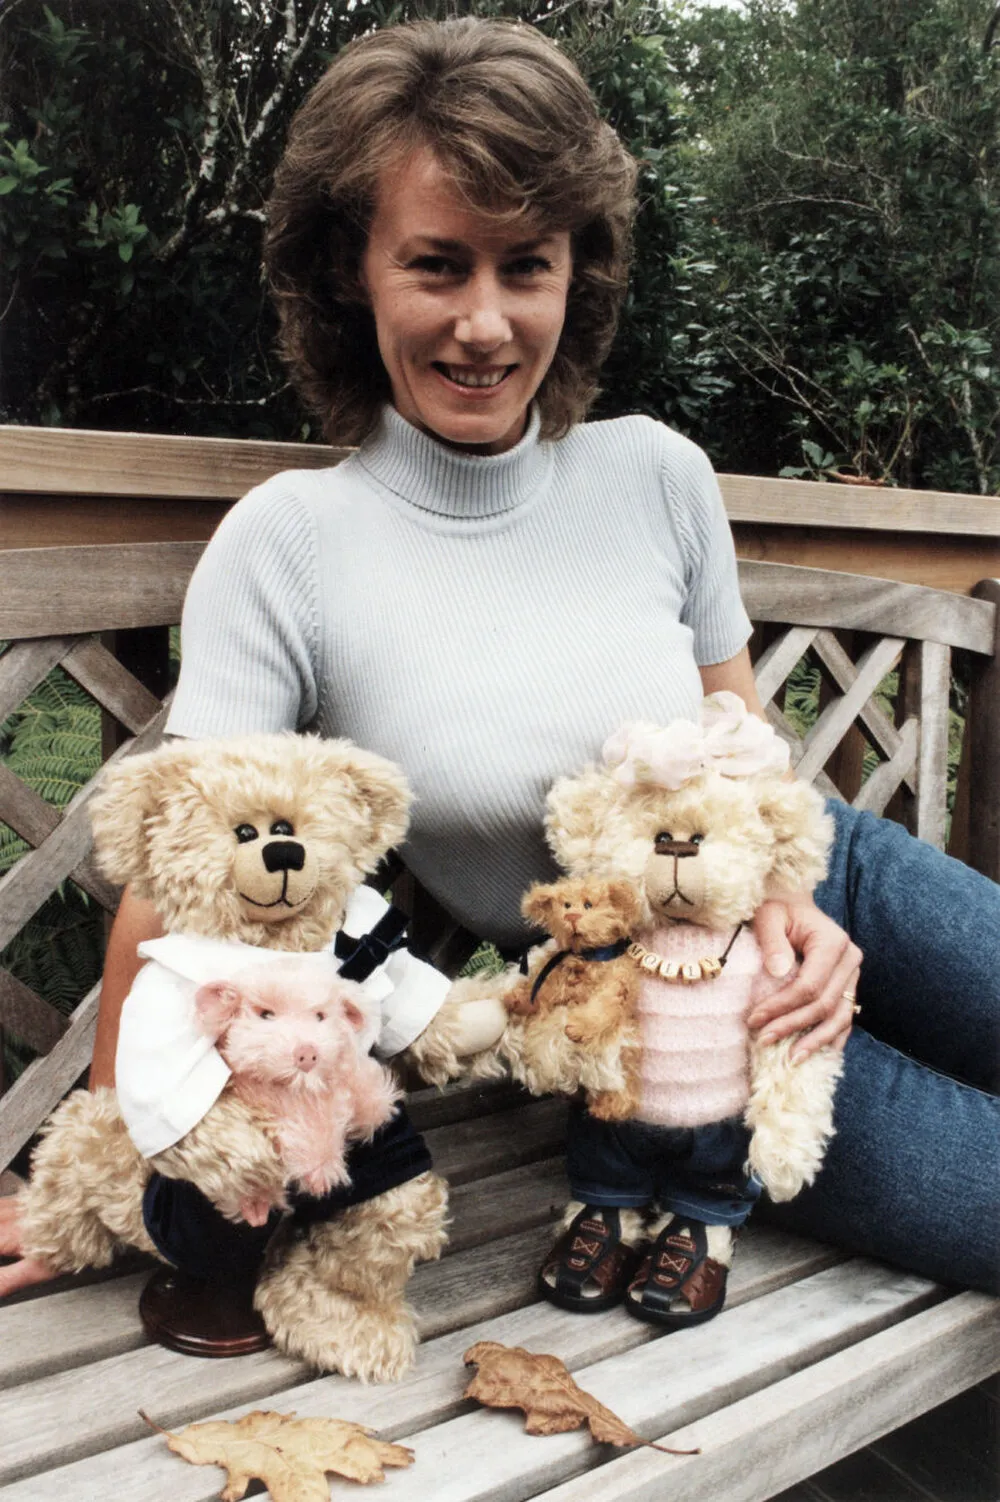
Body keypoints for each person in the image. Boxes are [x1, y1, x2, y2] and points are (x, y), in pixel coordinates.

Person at [1, 17, 997, 1311]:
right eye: (436, 263)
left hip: (830, 889)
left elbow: (745, 748)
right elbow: (177, 880)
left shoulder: (658, 473)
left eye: (526, 265)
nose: (484, 322)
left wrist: (798, 908)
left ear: (578, 273)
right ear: (351, 271)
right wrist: (93, 1174)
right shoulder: (291, 546)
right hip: (672, 1039)